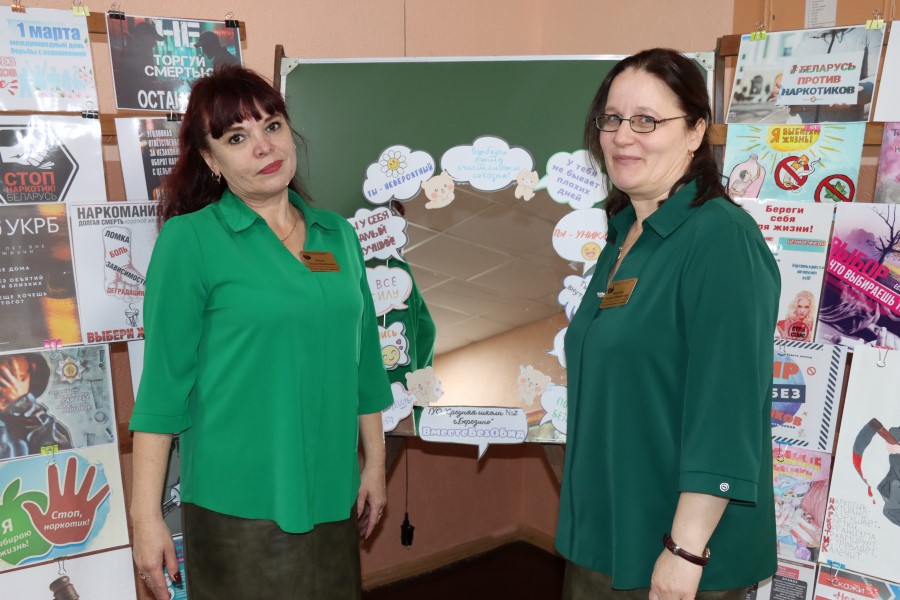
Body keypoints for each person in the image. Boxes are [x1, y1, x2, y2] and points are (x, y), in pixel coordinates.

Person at [129, 65, 392, 600]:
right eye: (236, 137)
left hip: (332, 492)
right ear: (211, 160)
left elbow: (364, 366)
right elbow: (161, 391)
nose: (263, 146)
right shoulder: (190, 240)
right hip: (237, 505)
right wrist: (145, 517)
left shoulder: (337, 236)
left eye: (272, 126)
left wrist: (376, 465)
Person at [557, 48, 780, 599]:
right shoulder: (623, 234)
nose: (621, 136)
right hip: (606, 536)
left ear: (696, 131)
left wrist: (685, 550)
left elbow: (727, 410)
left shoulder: (720, 238)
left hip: (678, 553)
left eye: (646, 121)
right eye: (611, 119)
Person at [0, 353, 73, 459]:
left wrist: (23, 404)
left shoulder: (40, 427)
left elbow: (60, 456)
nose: (8, 388)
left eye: (19, 378)